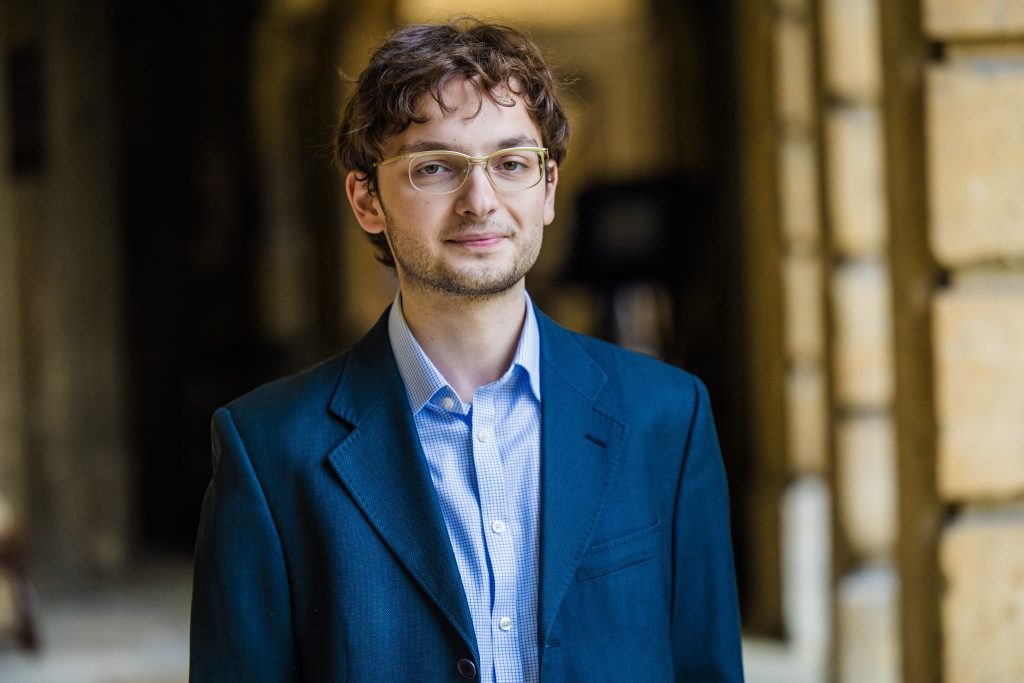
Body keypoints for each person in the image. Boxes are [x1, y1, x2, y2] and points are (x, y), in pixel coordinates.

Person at [190, 18, 743, 682]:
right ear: (367, 199)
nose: (480, 201)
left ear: (548, 190)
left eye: (511, 163)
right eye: (435, 168)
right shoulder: (269, 449)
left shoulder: (668, 419)